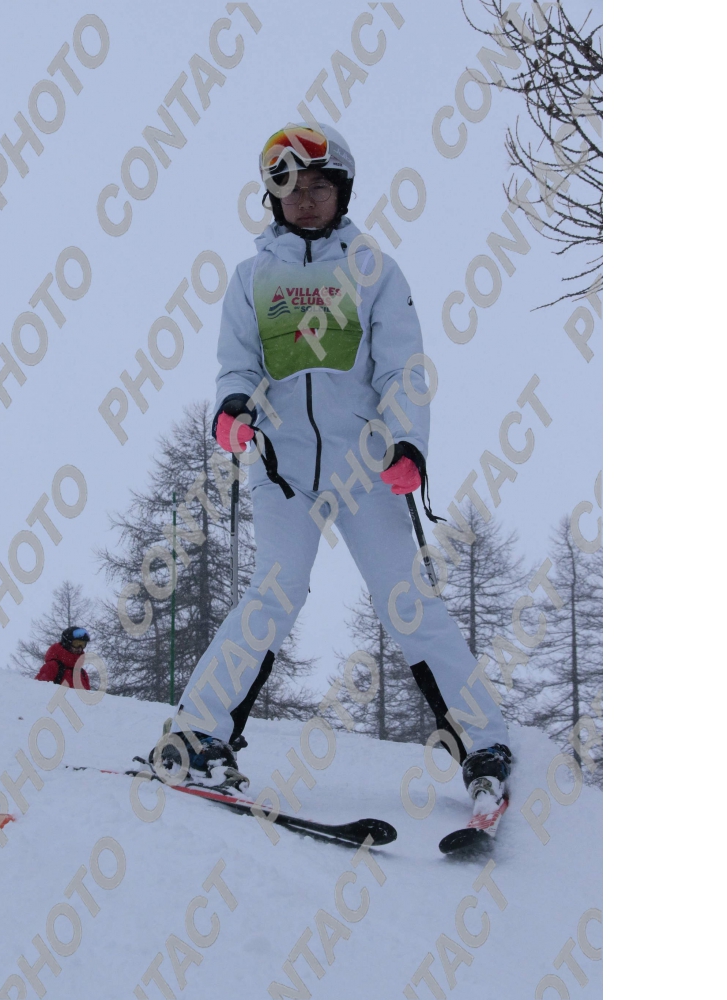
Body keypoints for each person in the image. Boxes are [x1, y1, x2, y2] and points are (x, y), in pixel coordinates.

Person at [154, 124, 511, 812]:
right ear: (273, 197)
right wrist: (232, 407)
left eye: (321, 186)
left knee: (405, 599)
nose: (308, 200)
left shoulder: (375, 270)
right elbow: (238, 364)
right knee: (273, 592)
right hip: (282, 468)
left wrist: (408, 443)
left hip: (365, 466)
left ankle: (484, 743)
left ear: (343, 192)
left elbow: (403, 369)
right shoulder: (252, 279)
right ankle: (197, 736)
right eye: (293, 188)